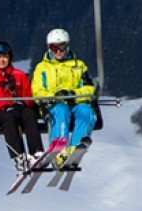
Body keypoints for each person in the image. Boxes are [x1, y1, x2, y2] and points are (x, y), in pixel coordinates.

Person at [31, 28, 96, 167]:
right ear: (49, 48)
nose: (59, 51)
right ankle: (60, 152)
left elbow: (89, 88)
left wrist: (73, 94)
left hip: (75, 103)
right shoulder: (42, 68)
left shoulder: (79, 65)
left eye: (62, 47)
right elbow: (37, 91)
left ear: (68, 46)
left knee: (86, 111)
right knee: (62, 110)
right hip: (53, 106)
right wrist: (54, 95)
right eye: (55, 48)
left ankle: (75, 150)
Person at [0, 41, 44, 173]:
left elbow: (28, 97)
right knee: (9, 118)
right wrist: (5, 103)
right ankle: (18, 156)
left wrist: (22, 102)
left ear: (9, 58)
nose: (2, 60)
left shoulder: (19, 75)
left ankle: (36, 153)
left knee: (29, 114)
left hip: (17, 109)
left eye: (5, 57)